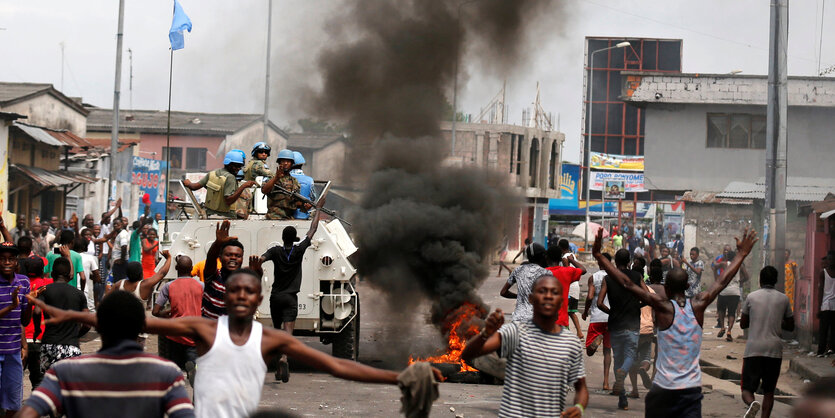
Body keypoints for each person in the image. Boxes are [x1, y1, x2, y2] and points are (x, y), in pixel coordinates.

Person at [28, 270, 441, 418]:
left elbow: (337, 367)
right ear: (226, 297)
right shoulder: (207, 330)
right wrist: (78, 316)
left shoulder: (272, 339)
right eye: (235, 290)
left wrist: (397, 376)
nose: (242, 295)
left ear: (259, 299)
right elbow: (139, 319)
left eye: (249, 291)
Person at [592, 227, 757, 418]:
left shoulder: (663, 307)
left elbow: (627, 283)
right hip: (690, 390)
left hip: (663, 389)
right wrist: (742, 254)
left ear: (666, 288)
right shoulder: (699, 305)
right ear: (687, 286)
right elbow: (721, 281)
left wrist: (599, 255)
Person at [18, 291, 195, 418]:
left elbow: (28, 413)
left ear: (99, 327)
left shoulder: (64, 372)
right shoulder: (167, 373)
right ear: (143, 328)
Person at [462, 275, 589, 417]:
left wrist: (579, 407)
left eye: (554, 292)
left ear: (562, 301)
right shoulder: (515, 332)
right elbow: (468, 355)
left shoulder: (571, 344)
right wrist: (485, 333)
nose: (548, 296)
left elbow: (581, 388)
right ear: (531, 299)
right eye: (542, 291)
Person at [260, 200, 325, 382]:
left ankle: (277, 360)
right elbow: (312, 230)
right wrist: (318, 208)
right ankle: (284, 357)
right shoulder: (299, 250)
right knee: (288, 331)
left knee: (277, 329)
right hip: (290, 298)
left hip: (275, 297)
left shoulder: (275, 251)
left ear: (283, 238)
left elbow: (260, 259)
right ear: (294, 238)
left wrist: (254, 267)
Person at [739, 265, 794, 418]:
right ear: (776, 281)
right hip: (774, 351)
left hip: (754, 349)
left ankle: (752, 404)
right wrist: (776, 321)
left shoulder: (752, 297)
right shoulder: (783, 299)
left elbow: (743, 323)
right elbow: (791, 326)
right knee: (769, 392)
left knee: (746, 390)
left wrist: (757, 318)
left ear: (760, 280)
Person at [595, 247, 646, 410]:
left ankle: (622, 399)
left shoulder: (608, 279)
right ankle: (623, 372)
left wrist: (611, 311)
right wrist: (639, 305)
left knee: (618, 357)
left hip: (615, 324)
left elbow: (599, 303)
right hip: (632, 324)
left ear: (615, 262)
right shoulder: (637, 276)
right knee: (630, 354)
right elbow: (648, 296)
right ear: (629, 262)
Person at [153, 255, 202, 384]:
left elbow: (155, 311)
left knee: (174, 367)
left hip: (175, 332)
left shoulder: (169, 286)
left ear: (176, 268)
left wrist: (168, 313)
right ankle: (193, 368)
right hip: (194, 332)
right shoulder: (201, 286)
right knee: (193, 359)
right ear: (191, 269)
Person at [36, 257, 89, 374]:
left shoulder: (44, 290)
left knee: (49, 384)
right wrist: (76, 335)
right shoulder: (79, 294)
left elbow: (37, 311)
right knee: (70, 386)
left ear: (53, 274)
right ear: (69, 275)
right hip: (71, 347)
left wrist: (37, 330)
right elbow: (87, 324)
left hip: (49, 344)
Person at [201, 221, 262, 320]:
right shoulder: (213, 276)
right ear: (220, 258)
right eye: (228, 255)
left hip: (233, 331)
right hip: (211, 330)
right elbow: (210, 259)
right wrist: (217, 244)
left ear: (242, 259)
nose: (233, 258)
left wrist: (258, 275)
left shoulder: (244, 281)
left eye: (238, 256)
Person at [0, 241, 31, 417]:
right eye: (2, 259)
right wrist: (12, 306)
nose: (6, 262)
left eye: (10, 259)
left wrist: (30, 304)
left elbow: (24, 322)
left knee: (13, 403)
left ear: (16, 262)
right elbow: (13, 309)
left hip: (13, 351)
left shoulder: (23, 282)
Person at [182, 150, 257, 218]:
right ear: (228, 164)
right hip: (226, 216)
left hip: (209, 214)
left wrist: (188, 183)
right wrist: (244, 186)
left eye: (240, 166)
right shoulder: (230, 178)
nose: (238, 169)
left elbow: (194, 187)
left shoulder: (212, 174)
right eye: (236, 166)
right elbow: (228, 200)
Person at [582, 252, 612, 391]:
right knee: (607, 351)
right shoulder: (614, 277)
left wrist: (585, 311)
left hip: (596, 317)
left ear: (599, 263)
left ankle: (595, 343)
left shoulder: (593, 278)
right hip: (610, 317)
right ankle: (606, 382)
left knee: (588, 351)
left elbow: (589, 297)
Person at [500, 243, 548, 323]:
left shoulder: (518, 270)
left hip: (517, 320)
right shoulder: (546, 273)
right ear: (541, 257)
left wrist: (520, 296)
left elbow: (503, 292)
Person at [22, 257, 51, 389]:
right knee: (38, 380)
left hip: (22, 340)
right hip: (39, 339)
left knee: (15, 377)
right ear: (42, 270)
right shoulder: (48, 283)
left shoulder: (20, 284)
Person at [261, 149, 309, 220]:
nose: (285, 163)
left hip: (289, 218)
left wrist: (304, 205)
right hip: (274, 217)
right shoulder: (271, 178)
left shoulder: (294, 181)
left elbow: (296, 202)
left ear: (292, 164)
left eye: (288, 161)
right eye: (283, 161)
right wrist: (276, 178)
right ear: (279, 163)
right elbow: (264, 190)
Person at [717, 250, 749, 342]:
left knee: (721, 310)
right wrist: (739, 281)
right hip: (735, 291)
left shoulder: (724, 264)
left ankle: (722, 327)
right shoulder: (740, 265)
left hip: (724, 290)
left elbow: (715, 266)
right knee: (732, 312)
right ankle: (729, 331)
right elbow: (747, 276)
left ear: (727, 257)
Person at [558, 239, 586, 339]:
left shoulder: (564, 258)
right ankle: (579, 332)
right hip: (575, 286)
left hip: (569, 287)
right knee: (571, 312)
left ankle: (567, 332)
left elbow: (567, 273)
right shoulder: (572, 255)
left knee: (566, 311)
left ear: (560, 247)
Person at [817, 250, 835, 357]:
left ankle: (831, 349)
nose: (831, 261)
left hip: (833, 306)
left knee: (833, 330)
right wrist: (819, 307)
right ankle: (821, 350)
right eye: (829, 259)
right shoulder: (823, 273)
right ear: (827, 260)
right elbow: (820, 290)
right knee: (823, 330)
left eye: (832, 259)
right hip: (825, 305)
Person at [73, 238, 99, 313]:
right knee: (89, 311)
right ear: (85, 247)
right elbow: (97, 277)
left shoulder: (69, 256)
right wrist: (91, 277)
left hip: (71, 288)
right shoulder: (90, 258)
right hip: (84, 289)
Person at [290, 151, 316, 220]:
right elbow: (313, 197)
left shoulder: (283, 178)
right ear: (301, 165)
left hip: (287, 215)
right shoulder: (309, 180)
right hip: (303, 215)